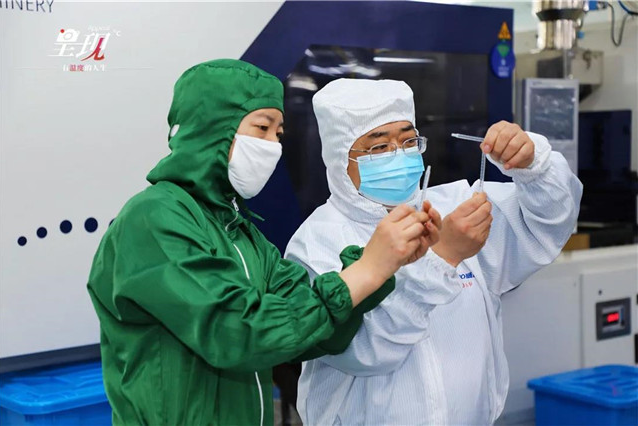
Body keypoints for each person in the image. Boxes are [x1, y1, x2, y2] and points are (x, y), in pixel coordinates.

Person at [86, 61, 441, 426]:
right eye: (261, 128)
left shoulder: (239, 232)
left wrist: (380, 265)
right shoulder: (155, 218)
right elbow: (237, 333)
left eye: (278, 133)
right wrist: (366, 270)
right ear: (212, 128)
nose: (272, 145)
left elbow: (307, 331)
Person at [285, 78, 583, 425]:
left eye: (408, 141)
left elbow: (551, 222)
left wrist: (532, 164)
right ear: (340, 159)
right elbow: (363, 353)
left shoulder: (455, 208)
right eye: (378, 147)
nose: (399, 155)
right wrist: (442, 256)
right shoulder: (317, 241)